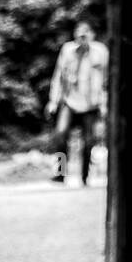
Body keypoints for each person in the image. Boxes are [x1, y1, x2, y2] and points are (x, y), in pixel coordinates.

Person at [46, 19, 108, 186]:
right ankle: (60, 173)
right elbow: (58, 76)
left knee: (88, 142)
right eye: (79, 34)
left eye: (85, 33)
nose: (82, 37)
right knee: (60, 135)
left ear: (92, 35)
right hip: (70, 101)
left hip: (91, 103)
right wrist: (53, 100)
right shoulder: (68, 50)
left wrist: (105, 103)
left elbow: (107, 79)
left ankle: (85, 177)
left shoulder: (100, 52)